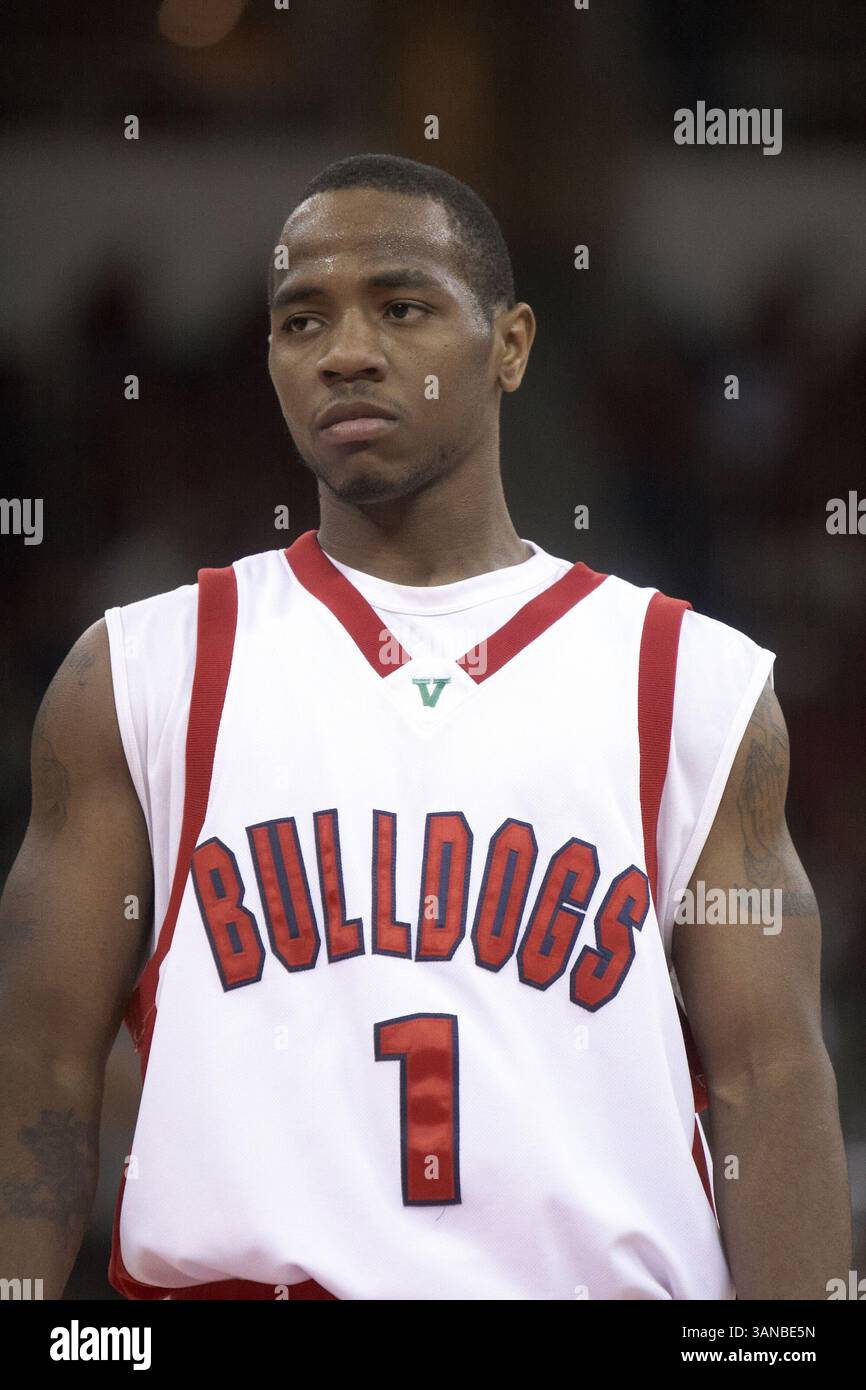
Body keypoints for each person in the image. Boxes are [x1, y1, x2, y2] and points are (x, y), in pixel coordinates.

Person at [0, 154, 851, 1301]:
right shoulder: (138, 671)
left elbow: (770, 1078)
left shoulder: (686, 680)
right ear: (270, 360)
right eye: (302, 318)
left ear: (508, 345)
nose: (345, 349)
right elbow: (38, 1067)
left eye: (400, 306)